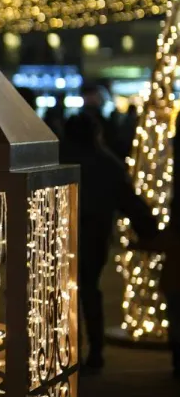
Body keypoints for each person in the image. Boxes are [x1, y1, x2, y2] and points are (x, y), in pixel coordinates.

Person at [63, 112, 158, 372]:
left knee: (63, 293)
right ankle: (95, 352)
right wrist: (150, 232)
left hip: (62, 234)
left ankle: (66, 352)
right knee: (89, 290)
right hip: (95, 232)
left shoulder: (59, 160)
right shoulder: (107, 164)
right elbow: (129, 202)